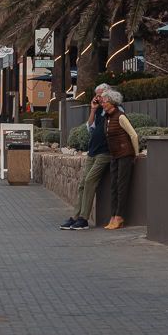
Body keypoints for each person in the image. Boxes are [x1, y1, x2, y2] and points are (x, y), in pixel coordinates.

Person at [60, 83, 110, 230]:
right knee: (82, 183)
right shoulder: (99, 109)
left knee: (89, 181)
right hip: (92, 151)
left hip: (104, 153)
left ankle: (84, 218)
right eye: (97, 96)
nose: (98, 99)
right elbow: (90, 128)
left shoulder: (113, 109)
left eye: (101, 96)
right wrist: (93, 110)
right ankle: (76, 216)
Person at [101, 88, 139, 229]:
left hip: (125, 155)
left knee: (122, 186)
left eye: (104, 101)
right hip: (114, 155)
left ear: (112, 102)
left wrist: (135, 153)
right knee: (113, 186)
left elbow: (133, 135)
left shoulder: (121, 116)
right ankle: (113, 215)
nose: (102, 104)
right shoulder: (108, 118)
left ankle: (119, 216)